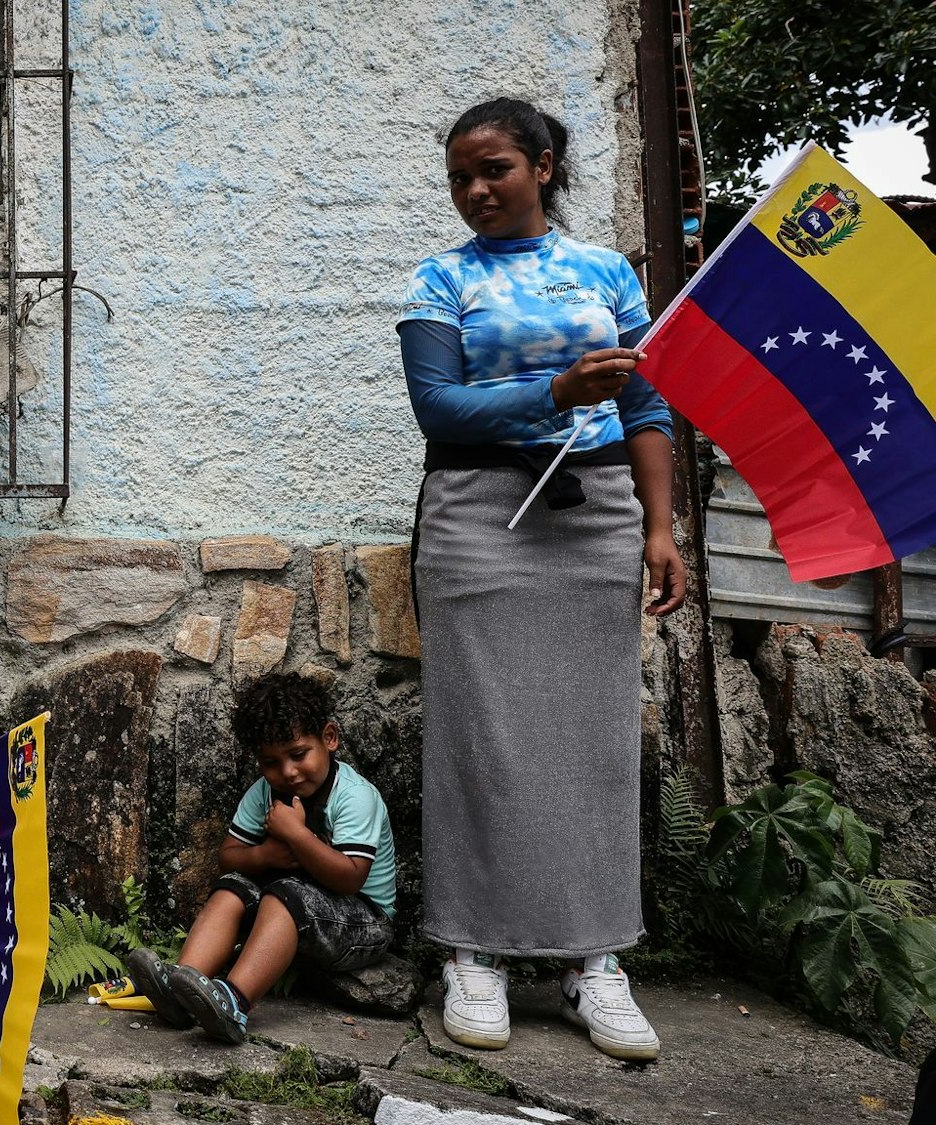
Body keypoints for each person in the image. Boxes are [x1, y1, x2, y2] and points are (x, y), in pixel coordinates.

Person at [398, 97, 686, 1062]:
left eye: (497, 171)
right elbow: (438, 408)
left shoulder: (606, 272)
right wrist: (554, 392)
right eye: (461, 177)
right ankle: (471, 953)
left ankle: (594, 961)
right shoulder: (441, 279)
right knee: (478, 730)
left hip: (595, 514)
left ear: (546, 167)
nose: (478, 191)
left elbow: (648, 405)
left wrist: (660, 525)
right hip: (479, 516)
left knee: (592, 738)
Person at [126, 674, 396, 1045]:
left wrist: (296, 836)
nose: (288, 772)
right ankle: (180, 987)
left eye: (299, 754)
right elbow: (229, 857)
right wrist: (266, 853)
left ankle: (233, 1003)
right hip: (298, 916)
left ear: (329, 738)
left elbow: (351, 879)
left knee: (287, 894)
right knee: (234, 887)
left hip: (363, 924)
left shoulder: (353, 796)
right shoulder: (265, 793)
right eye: (271, 762)